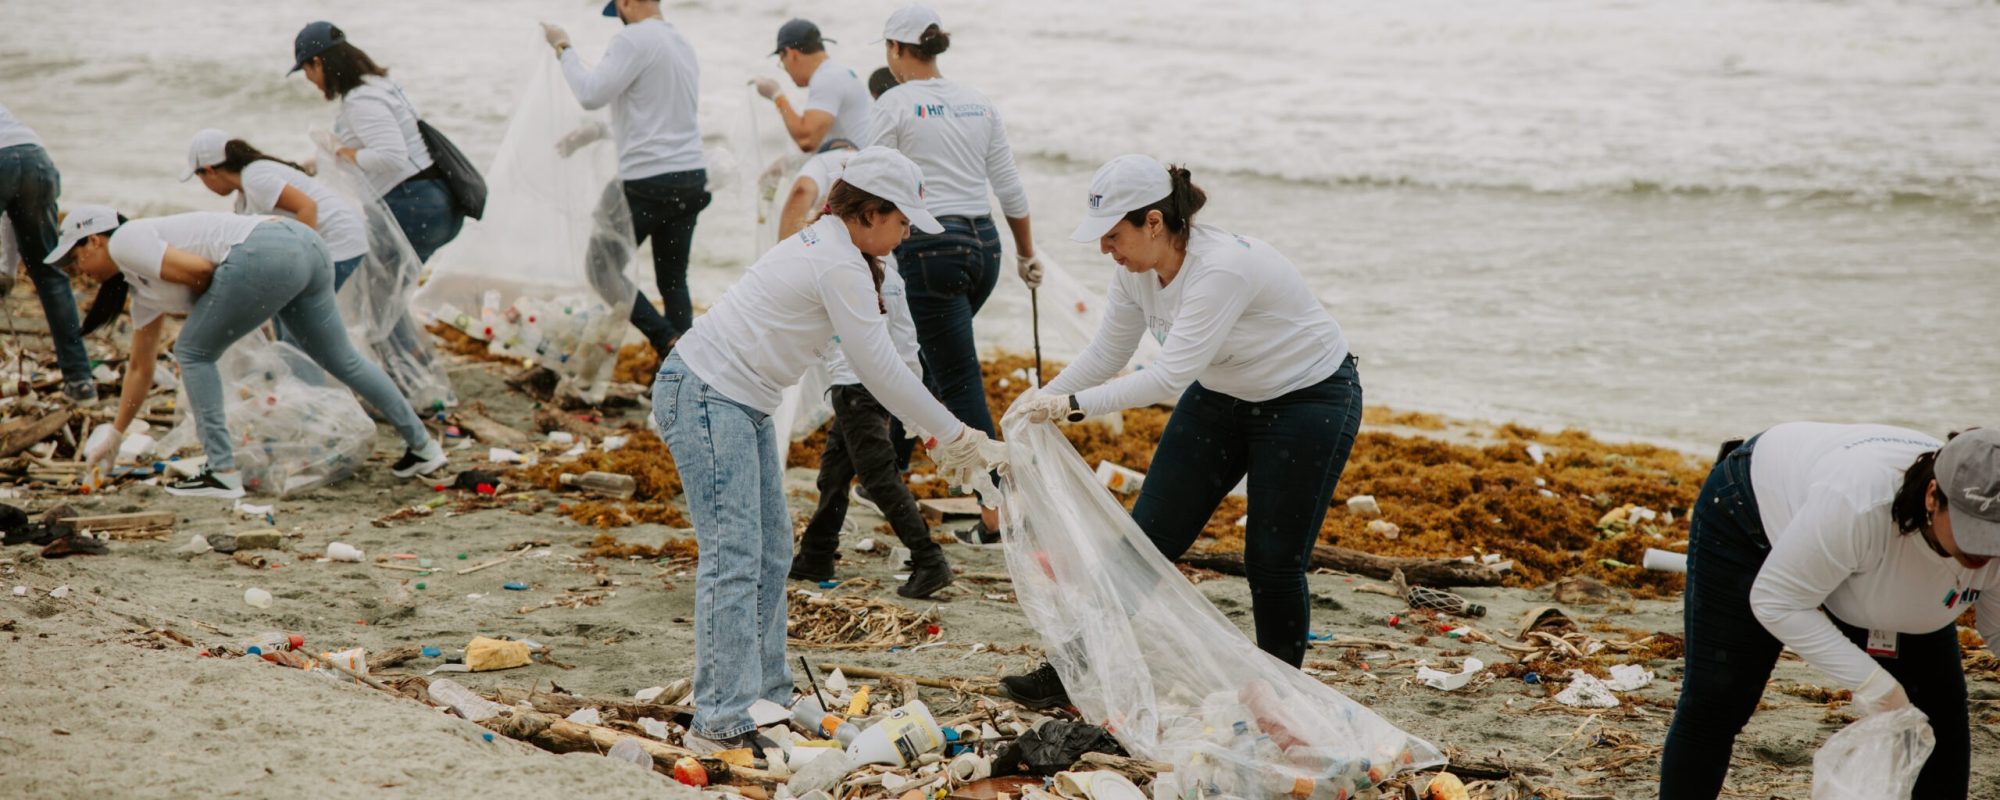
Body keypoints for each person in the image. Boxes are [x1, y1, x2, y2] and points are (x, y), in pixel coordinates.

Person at [653, 147, 1006, 752]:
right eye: (901, 222)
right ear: (869, 213)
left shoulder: (843, 248)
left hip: (740, 399)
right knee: (734, 555)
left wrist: (936, 433)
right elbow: (880, 372)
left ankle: (767, 691)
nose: (905, 235)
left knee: (769, 552)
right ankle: (719, 721)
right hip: (706, 392)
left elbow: (893, 363)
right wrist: (959, 436)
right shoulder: (839, 263)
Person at [998, 156, 1362, 708]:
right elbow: (1107, 354)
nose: (1105, 249)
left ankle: (1281, 698)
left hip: (1307, 399)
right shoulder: (1134, 272)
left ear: (1153, 222)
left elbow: (1167, 377)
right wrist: (1040, 399)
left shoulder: (1220, 269)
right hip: (1221, 396)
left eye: (1112, 235)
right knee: (1143, 543)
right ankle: (1073, 669)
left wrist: (1069, 408)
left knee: (1271, 560)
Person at [1659, 424, 2000, 798]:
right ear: (1933, 496)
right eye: (1972, 532)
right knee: (1718, 700)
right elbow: (1777, 601)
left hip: (1866, 554)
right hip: (1751, 512)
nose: (1983, 552)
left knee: (1936, 722)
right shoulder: (1856, 504)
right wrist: (1874, 685)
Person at [49, 205, 448, 499]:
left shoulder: (126, 240)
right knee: (340, 357)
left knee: (192, 351)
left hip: (266, 251)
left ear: (95, 239)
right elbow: (140, 367)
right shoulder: (142, 290)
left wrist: (229, 309)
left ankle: (222, 473)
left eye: (75, 255)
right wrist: (116, 435)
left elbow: (203, 272)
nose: (76, 268)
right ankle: (424, 448)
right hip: (304, 246)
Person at [867, 4, 1039, 539]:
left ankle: (998, 516)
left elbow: (869, 182)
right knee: (927, 361)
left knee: (953, 377)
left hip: (929, 251)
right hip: (983, 247)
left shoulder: (894, 102)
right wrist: (1027, 255)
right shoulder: (977, 102)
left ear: (896, 49)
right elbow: (1008, 185)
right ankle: (886, 470)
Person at [782, 147, 950, 598]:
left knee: (878, 477)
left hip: (863, 388)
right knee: (833, 474)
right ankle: (817, 552)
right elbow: (909, 345)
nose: (908, 233)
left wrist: (916, 415)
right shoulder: (860, 267)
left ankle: (928, 558)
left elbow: (904, 347)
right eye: (904, 223)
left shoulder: (872, 273)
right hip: (853, 388)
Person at [542, 0, 709, 354]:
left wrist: (563, 47)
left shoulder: (632, 39)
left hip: (648, 182)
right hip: (691, 177)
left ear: (627, 2)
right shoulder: (682, 43)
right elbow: (656, 117)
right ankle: (686, 366)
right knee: (673, 279)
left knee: (601, 267)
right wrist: (597, 133)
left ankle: (667, 340)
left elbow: (589, 94)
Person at [290, 21, 463, 263]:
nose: (310, 80)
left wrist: (343, 152)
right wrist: (319, 161)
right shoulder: (380, 86)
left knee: (376, 294)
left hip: (414, 205)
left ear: (318, 63)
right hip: (437, 202)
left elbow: (391, 156)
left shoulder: (361, 101)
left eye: (306, 71)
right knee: (391, 291)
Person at [182, 129, 369, 289]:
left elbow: (307, 207)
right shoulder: (244, 196)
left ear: (210, 170)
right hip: (336, 239)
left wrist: (303, 266)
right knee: (288, 308)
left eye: (200, 177)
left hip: (340, 238)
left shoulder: (255, 178)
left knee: (299, 308)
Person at [0, 103, 98, 403]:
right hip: (36, 158)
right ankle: (80, 381)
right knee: (49, 274)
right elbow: (10, 210)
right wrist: (7, 267)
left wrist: (6, 267)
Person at [752, 19, 871, 153]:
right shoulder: (838, 72)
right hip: (861, 156)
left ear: (792, 54)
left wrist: (777, 96)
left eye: (781, 60)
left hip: (859, 163)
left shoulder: (827, 78)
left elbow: (807, 140)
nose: (784, 68)